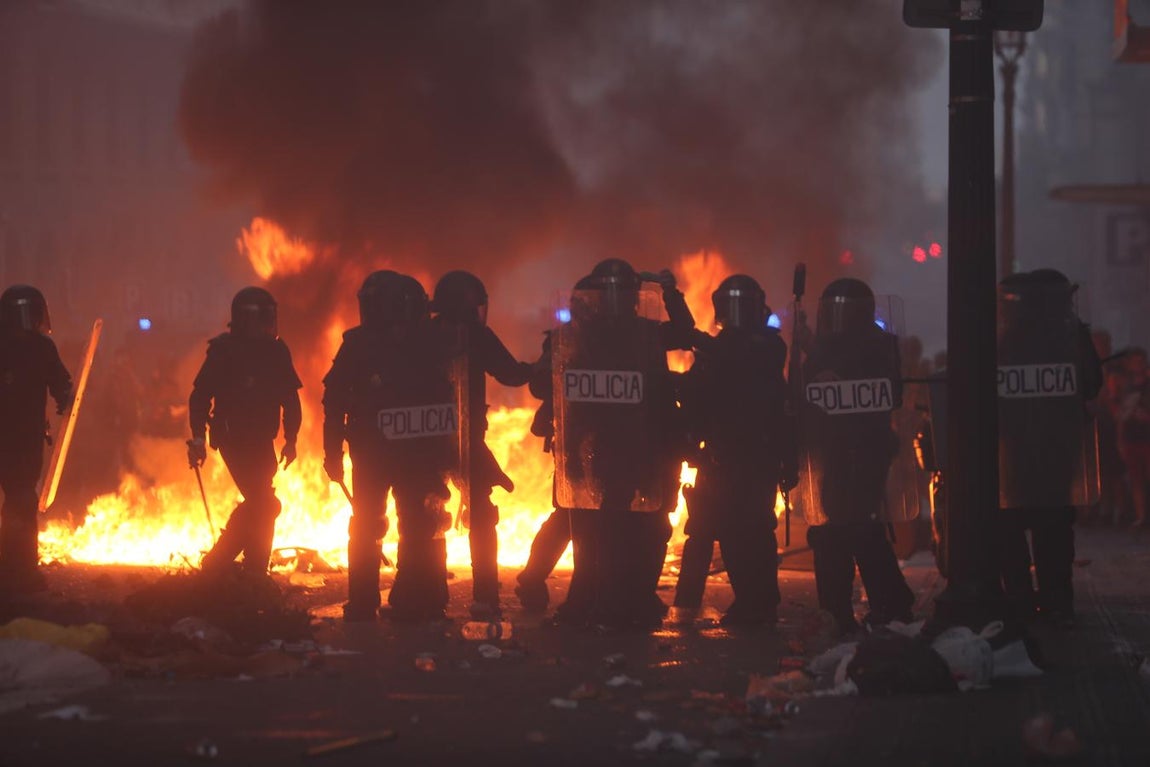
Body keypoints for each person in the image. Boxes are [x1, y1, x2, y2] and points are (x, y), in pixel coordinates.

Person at [535, 259, 694, 628]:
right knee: (591, 529)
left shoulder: (646, 332)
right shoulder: (578, 334)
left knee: (641, 528)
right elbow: (541, 383)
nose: (614, 301)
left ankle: (627, 599)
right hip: (596, 447)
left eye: (620, 293)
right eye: (607, 293)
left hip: (643, 446)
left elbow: (684, 333)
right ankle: (592, 600)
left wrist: (670, 293)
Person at [323, 271, 457, 622]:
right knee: (397, 524)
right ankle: (399, 599)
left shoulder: (425, 343)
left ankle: (403, 598)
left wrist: (333, 452)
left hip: (400, 455)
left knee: (413, 524)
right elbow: (335, 400)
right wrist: (332, 452)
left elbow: (452, 396)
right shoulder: (423, 343)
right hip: (387, 454)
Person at [673, 274, 795, 627]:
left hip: (744, 456)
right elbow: (698, 397)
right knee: (727, 529)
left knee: (742, 531)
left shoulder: (763, 348)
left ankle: (754, 605)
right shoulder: (747, 349)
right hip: (735, 456)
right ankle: (739, 604)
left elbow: (716, 382)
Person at [800, 277, 915, 636]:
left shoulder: (873, 348)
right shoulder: (874, 346)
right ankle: (885, 604)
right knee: (854, 528)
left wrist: (815, 355)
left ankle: (849, 609)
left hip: (862, 450)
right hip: (839, 451)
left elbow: (886, 393)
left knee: (843, 531)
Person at [997, 269, 1103, 627]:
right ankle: (1056, 602)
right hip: (1058, 447)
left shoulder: (1001, 337)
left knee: (1008, 526)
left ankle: (1019, 600)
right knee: (1053, 528)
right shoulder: (1070, 335)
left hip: (1010, 449)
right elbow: (1092, 383)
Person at [430, 270, 534, 619]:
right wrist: (541, 368)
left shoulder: (423, 333)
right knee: (481, 517)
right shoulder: (477, 336)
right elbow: (511, 374)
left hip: (426, 439)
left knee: (427, 515)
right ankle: (485, 597)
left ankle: (429, 594)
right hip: (467, 438)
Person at [187, 287, 302, 578]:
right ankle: (222, 563)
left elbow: (290, 399)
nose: (270, 324)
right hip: (233, 438)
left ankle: (251, 570)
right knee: (264, 502)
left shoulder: (276, 351)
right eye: (265, 317)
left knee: (263, 504)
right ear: (247, 318)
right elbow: (200, 396)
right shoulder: (224, 351)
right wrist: (198, 437)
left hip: (262, 438)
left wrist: (291, 439)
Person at [0, 285, 73, 591]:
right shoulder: (42, 348)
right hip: (23, 440)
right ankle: (22, 571)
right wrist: (66, 399)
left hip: (16, 438)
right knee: (22, 500)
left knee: (16, 500)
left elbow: (61, 386)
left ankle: (11, 567)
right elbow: (62, 386)